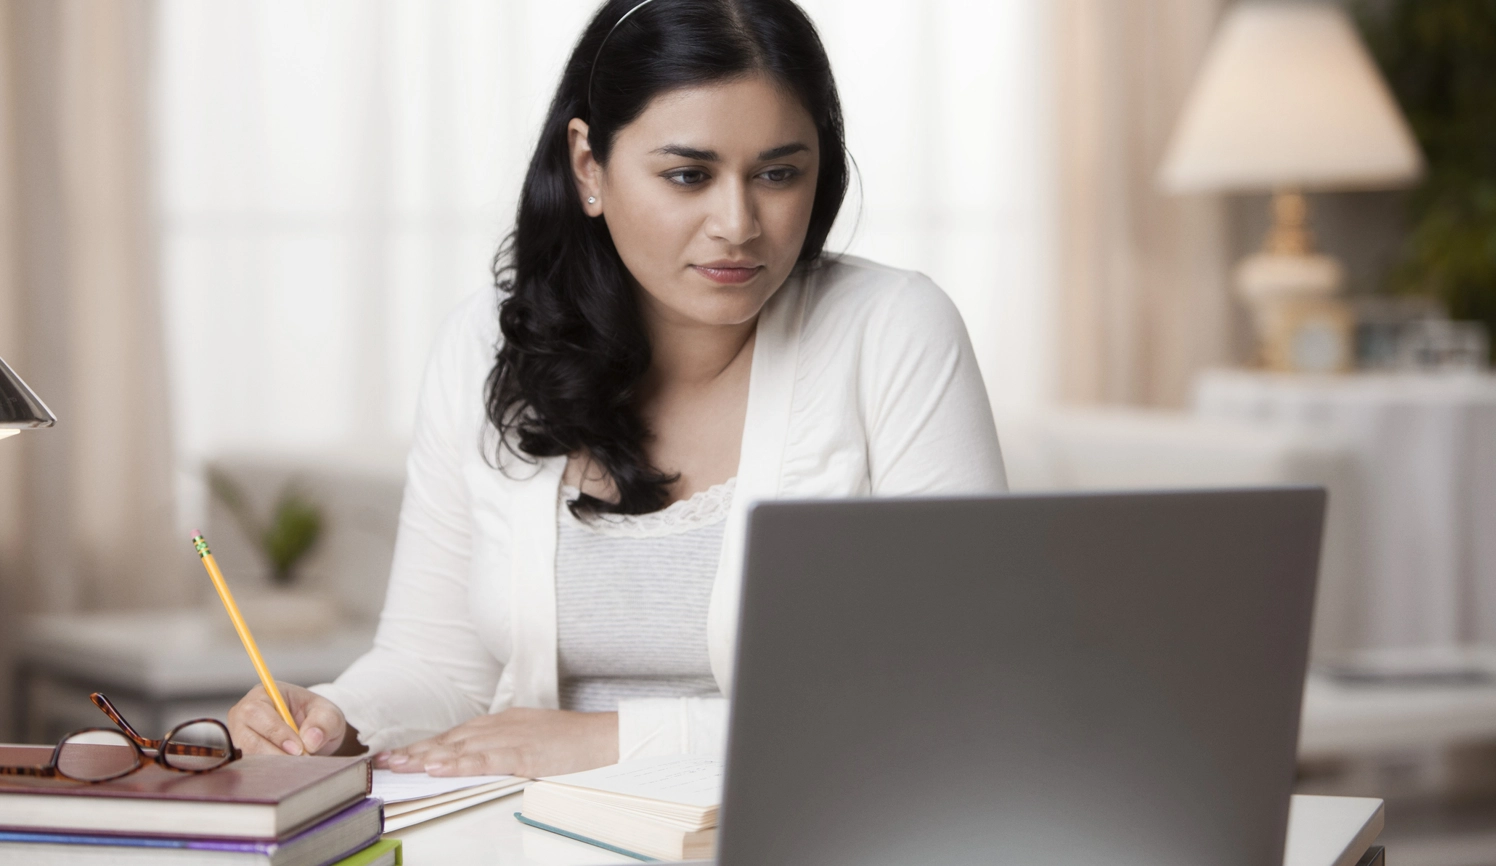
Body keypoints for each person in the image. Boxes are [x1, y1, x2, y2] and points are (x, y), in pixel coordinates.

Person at [226, 0, 1007, 777]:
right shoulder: (487, 344)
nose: (737, 223)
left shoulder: (894, 330)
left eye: (778, 173)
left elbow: (956, 686)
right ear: (588, 166)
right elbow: (437, 664)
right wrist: (334, 714)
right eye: (687, 174)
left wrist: (609, 741)